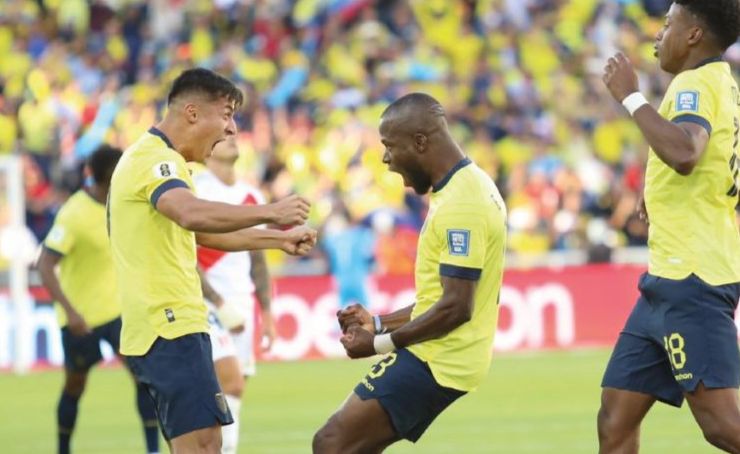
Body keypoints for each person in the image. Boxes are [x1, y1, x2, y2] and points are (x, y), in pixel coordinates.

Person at [108, 68, 317, 454]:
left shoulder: (165, 163)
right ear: (191, 112)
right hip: (168, 324)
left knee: (202, 444)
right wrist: (271, 211)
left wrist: (278, 239)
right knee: (204, 446)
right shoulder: (156, 160)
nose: (231, 129)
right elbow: (190, 214)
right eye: (225, 114)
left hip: (171, 324)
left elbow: (203, 234)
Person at [312, 92, 507, 453]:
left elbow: (456, 307)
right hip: (442, 353)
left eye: (389, 146)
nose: (385, 159)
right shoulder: (464, 186)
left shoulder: (463, 204)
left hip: (440, 358)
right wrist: (378, 322)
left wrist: (378, 344)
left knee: (331, 444)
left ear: (420, 142)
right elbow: (439, 299)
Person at [599, 1, 740, 452]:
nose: (658, 35)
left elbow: (684, 153)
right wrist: (654, 185)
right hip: (666, 281)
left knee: (723, 427)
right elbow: (705, 163)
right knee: (615, 420)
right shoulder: (723, 85)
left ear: (694, 35)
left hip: (691, 281)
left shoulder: (694, 85)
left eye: (667, 24)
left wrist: (630, 96)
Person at [38, 145, 160, 454]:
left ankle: (153, 449)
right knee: (75, 386)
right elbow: (44, 264)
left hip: (120, 314)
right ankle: (63, 449)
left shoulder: (122, 204)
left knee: (144, 379)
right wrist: (70, 312)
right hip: (82, 319)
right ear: (110, 177)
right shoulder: (74, 214)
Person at [193, 135, 277, 454]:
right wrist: (218, 303)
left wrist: (267, 314)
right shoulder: (196, 191)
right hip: (205, 303)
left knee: (231, 399)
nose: (230, 137)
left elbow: (258, 259)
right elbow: (186, 256)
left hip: (242, 303)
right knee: (231, 384)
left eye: (233, 133)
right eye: (223, 135)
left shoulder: (251, 194)